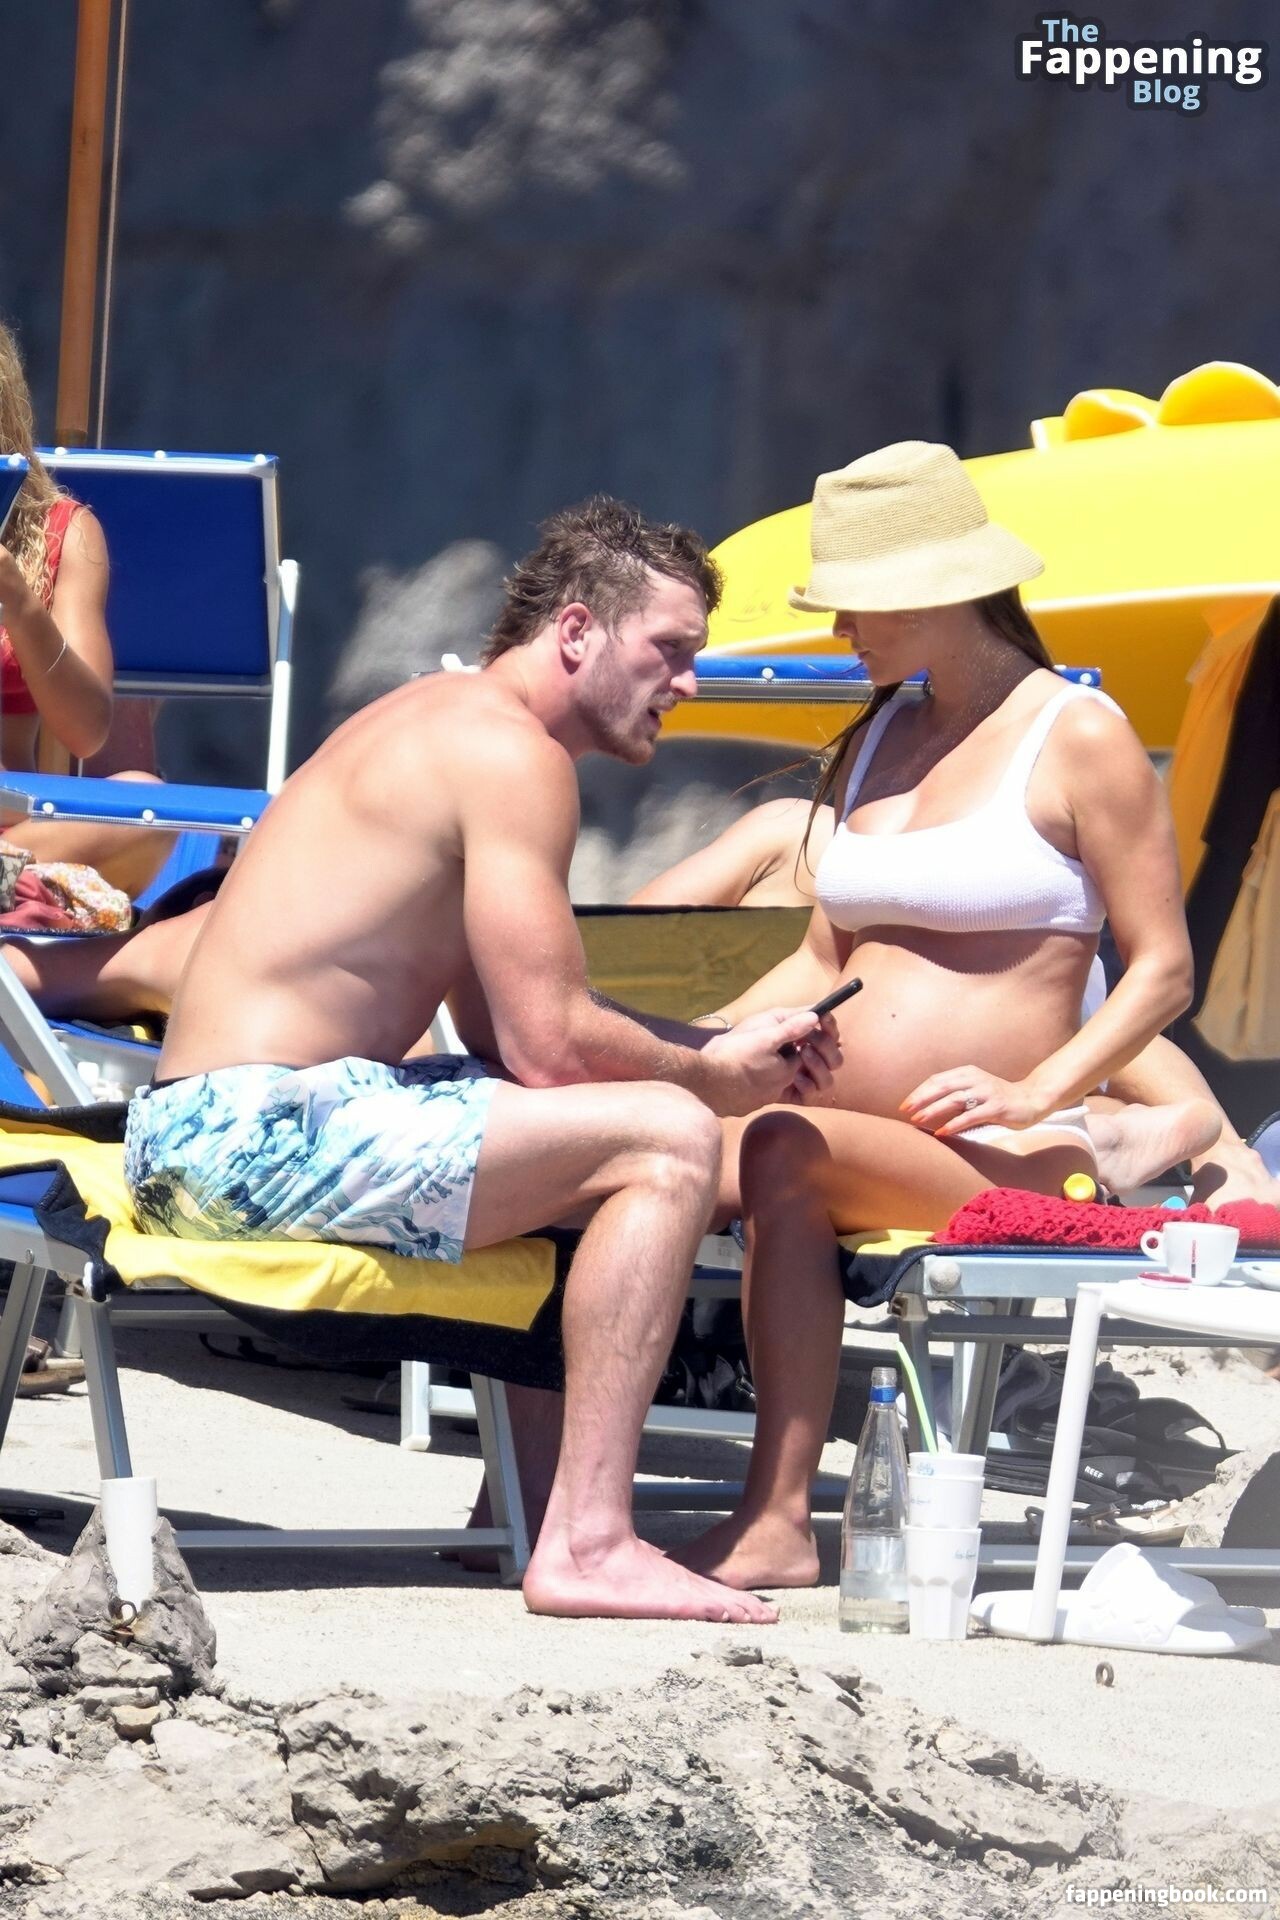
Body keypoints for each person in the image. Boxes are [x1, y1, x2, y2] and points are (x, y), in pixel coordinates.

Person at [120, 496, 842, 1623]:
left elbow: (515, 1048)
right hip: (241, 1136)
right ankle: (589, 1543)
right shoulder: (510, 755)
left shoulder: (446, 722)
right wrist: (713, 1070)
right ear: (576, 631)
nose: (690, 684)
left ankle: (531, 1504)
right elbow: (555, 1041)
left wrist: (704, 1050)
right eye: (670, 650)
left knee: (577, 1123)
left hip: (216, 1128)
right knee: (668, 1140)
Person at [677, 440, 1203, 1591]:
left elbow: (1163, 971)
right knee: (618, 1139)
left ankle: (774, 1519)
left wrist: (1035, 1090)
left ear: (932, 593)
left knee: (780, 1150)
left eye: (852, 605)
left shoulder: (1076, 735)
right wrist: (689, 1050)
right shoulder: (877, 734)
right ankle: (545, 1491)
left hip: (1008, 1150)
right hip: (848, 1130)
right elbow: (823, 955)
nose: (835, 631)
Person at [632, 795, 1277, 1207]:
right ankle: (1109, 1139)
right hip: (831, 1068)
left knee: (1075, 1041)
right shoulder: (799, 835)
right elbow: (632, 944)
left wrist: (703, 1046)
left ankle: (1197, 1151)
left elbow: (632, 948)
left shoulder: (949, 856)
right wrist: (705, 1043)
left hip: (963, 1060)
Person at [0, 322, 170, 899]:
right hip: (25, 860)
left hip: (15, 829)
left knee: (146, 803)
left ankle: (11, 877)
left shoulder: (63, 532)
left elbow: (86, 733)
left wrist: (19, 601)